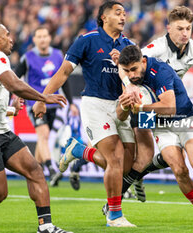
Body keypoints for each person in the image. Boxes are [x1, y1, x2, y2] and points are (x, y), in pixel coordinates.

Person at [62, 45, 193, 226]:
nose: (131, 75)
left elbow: (170, 108)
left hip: (183, 118)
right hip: (158, 125)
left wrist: (140, 108)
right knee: (177, 169)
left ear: (143, 61)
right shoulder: (128, 80)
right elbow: (121, 114)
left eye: (134, 69)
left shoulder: (159, 71)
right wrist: (125, 106)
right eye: (127, 71)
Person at [108, 5, 193, 203]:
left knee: (159, 158)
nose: (185, 33)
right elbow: (127, 66)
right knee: (142, 154)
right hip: (144, 99)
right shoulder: (156, 48)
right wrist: (129, 86)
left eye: (188, 28)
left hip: (168, 105)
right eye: (179, 29)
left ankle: (134, 179)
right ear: (169, 28)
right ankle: (127, 182)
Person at [32, 1, 136, 227]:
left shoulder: (129, 46)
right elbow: (64, 71)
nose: (123, 16)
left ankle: (78, 150)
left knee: (127, 165)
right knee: (115, 158)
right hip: (95, 104)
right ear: (103, 17)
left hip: (121, 106)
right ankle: (115, 216)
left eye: (124, 13)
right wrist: (42, 98)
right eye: (117, 13)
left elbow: (137, 78)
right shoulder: (87, 40)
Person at [0, 22, 72, 233]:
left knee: (35, 171)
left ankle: (45, 227)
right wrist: (43, 97)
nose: (12, 39)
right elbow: (15, 84)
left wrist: (10, 109)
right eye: (7, 35)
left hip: (3, 133)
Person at [15, 26, 78, 181]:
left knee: (44, 136)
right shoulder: (27, 57)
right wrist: (15, 98)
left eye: (45, 36)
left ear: (49, 38)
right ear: (34, 39)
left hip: (53, 104)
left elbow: (65, 81)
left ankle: (35, 172)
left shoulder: (58, 55)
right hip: (35, 104)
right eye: (39, 36)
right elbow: (15, 79)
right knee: (43, 135)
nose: (42, 39)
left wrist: (71, 103)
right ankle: (51, 169)